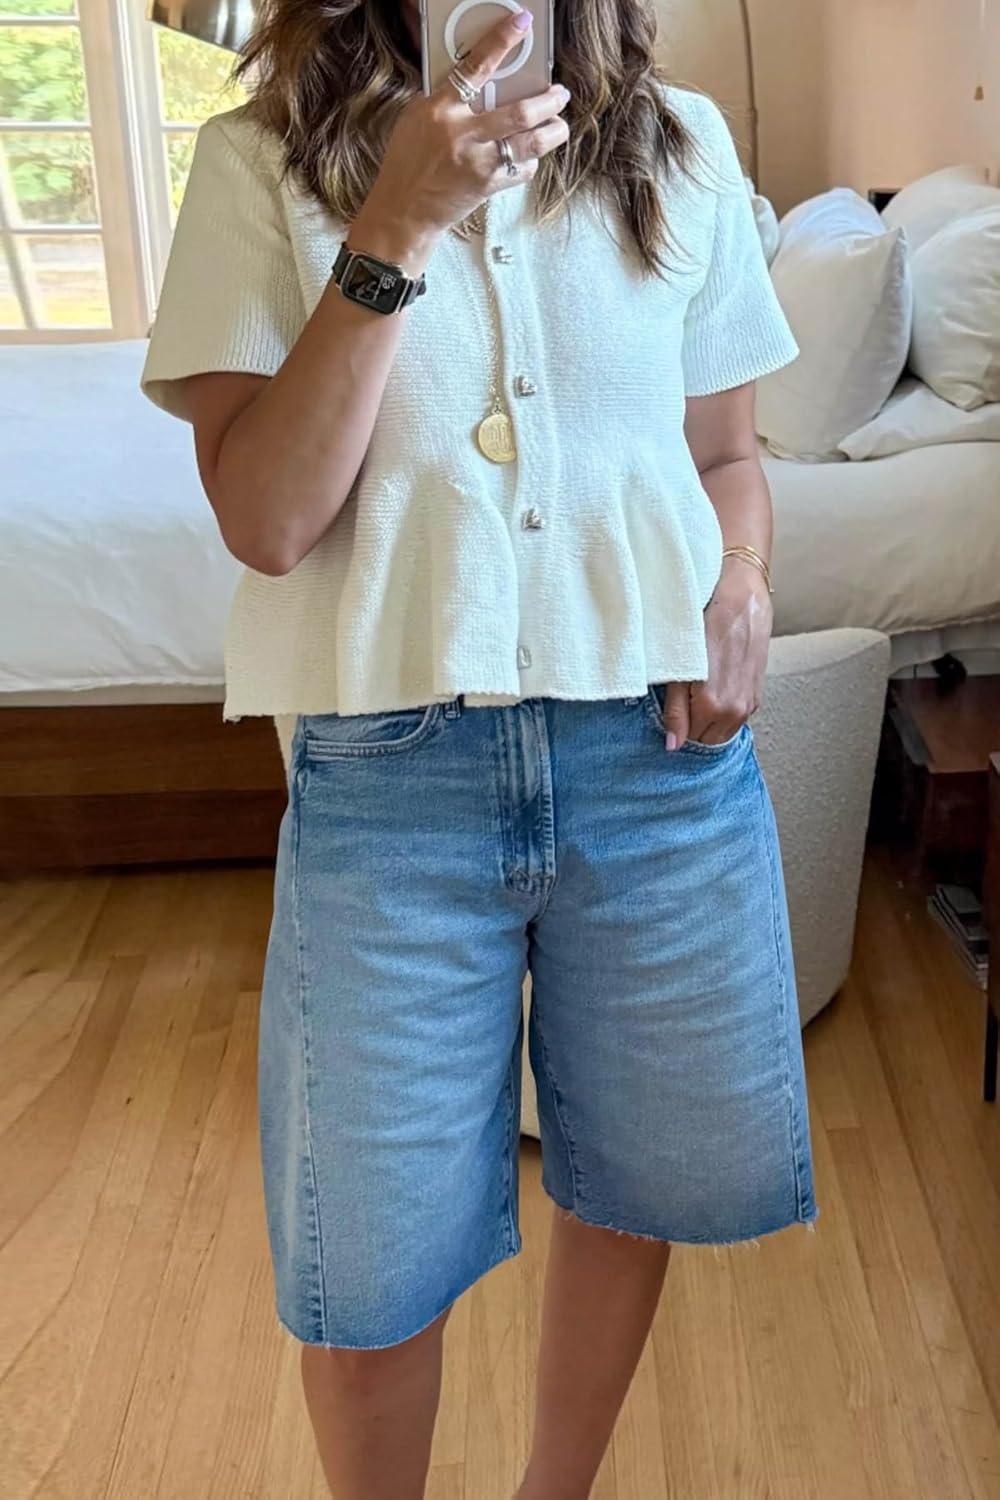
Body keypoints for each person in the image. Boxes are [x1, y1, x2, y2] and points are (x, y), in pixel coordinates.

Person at [140, 2, 820, 1495]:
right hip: (394, 788)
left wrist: (744, 580)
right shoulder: (259, 160)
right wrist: (397, 223)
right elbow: (268, 520)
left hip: (656, 762)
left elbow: (725, 456)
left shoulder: (684, 149)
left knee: (633, 1179)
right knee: (369, 1267)